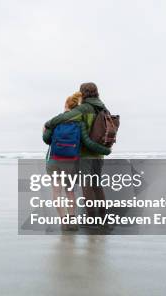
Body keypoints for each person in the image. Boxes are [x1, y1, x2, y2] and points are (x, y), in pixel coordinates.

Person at [43, 82, 110, 229]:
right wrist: (104, 150)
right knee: (97, 185)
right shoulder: (104, 108)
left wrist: (49, 123)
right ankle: (104, 218)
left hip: (85, 154)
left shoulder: (83, 108)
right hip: (99, 154)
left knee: (86, 186)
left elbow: (62, 118)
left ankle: (91, 220)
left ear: (83, 93)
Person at [44, 92, 84, 232]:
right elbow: (84, 141)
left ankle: (63, 221)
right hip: (71, 162)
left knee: (56, 191)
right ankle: (72, 221)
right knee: (70, 191)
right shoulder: (79, 123)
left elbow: (46, 139)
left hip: (54, 160)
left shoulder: (55, 121)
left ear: (66, 105)